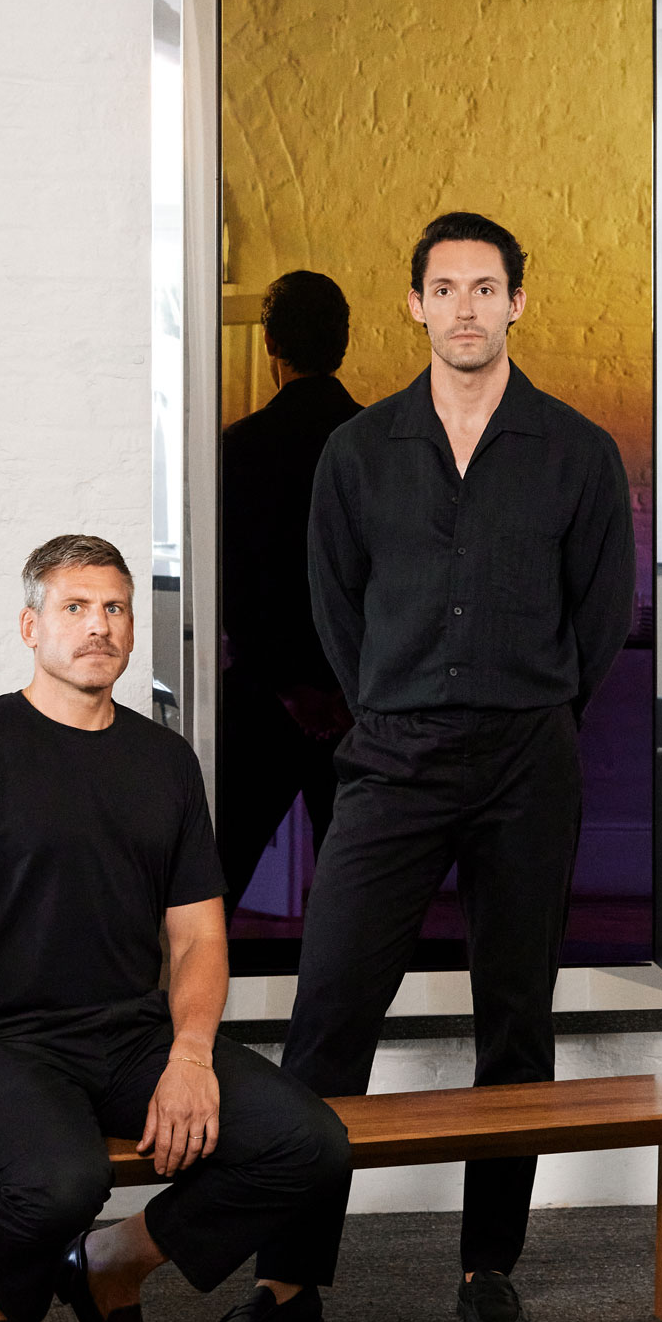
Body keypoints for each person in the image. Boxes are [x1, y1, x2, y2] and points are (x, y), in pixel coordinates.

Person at [204, 211, 636, 1322]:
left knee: (515, 1021)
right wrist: (391, 702)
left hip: (524, 763)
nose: (463, 308)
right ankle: (292, 1282)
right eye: (443, 288)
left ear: (516, 305)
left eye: (484, 288)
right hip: (389, 759)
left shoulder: (576, 451)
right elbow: (332, 607)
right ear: (413, 306)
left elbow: (598, 622)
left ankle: (487, 1265)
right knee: (328, 1017)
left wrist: (523, 703)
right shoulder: (360, 453)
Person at [0, 533, 351, 1322]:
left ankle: (110, 1266)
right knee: (65, 1181)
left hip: (134, 1038)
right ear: (31, 625)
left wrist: (188, 1058)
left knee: (309, 1147)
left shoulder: (163, 761)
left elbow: (200, 941)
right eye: (74, 608)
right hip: (6, 1045)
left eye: (114, 609)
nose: (97, 626)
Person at [218, 271, 361, 918]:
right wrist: (342, 688)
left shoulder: (240, 448)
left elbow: (237, 585)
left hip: (264, 698)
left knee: (216, 873)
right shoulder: (382, 448)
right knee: (358, 887)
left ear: (270, 339)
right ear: (344, 341)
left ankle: (190, 1010)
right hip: (359, 700)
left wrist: (288, 686)